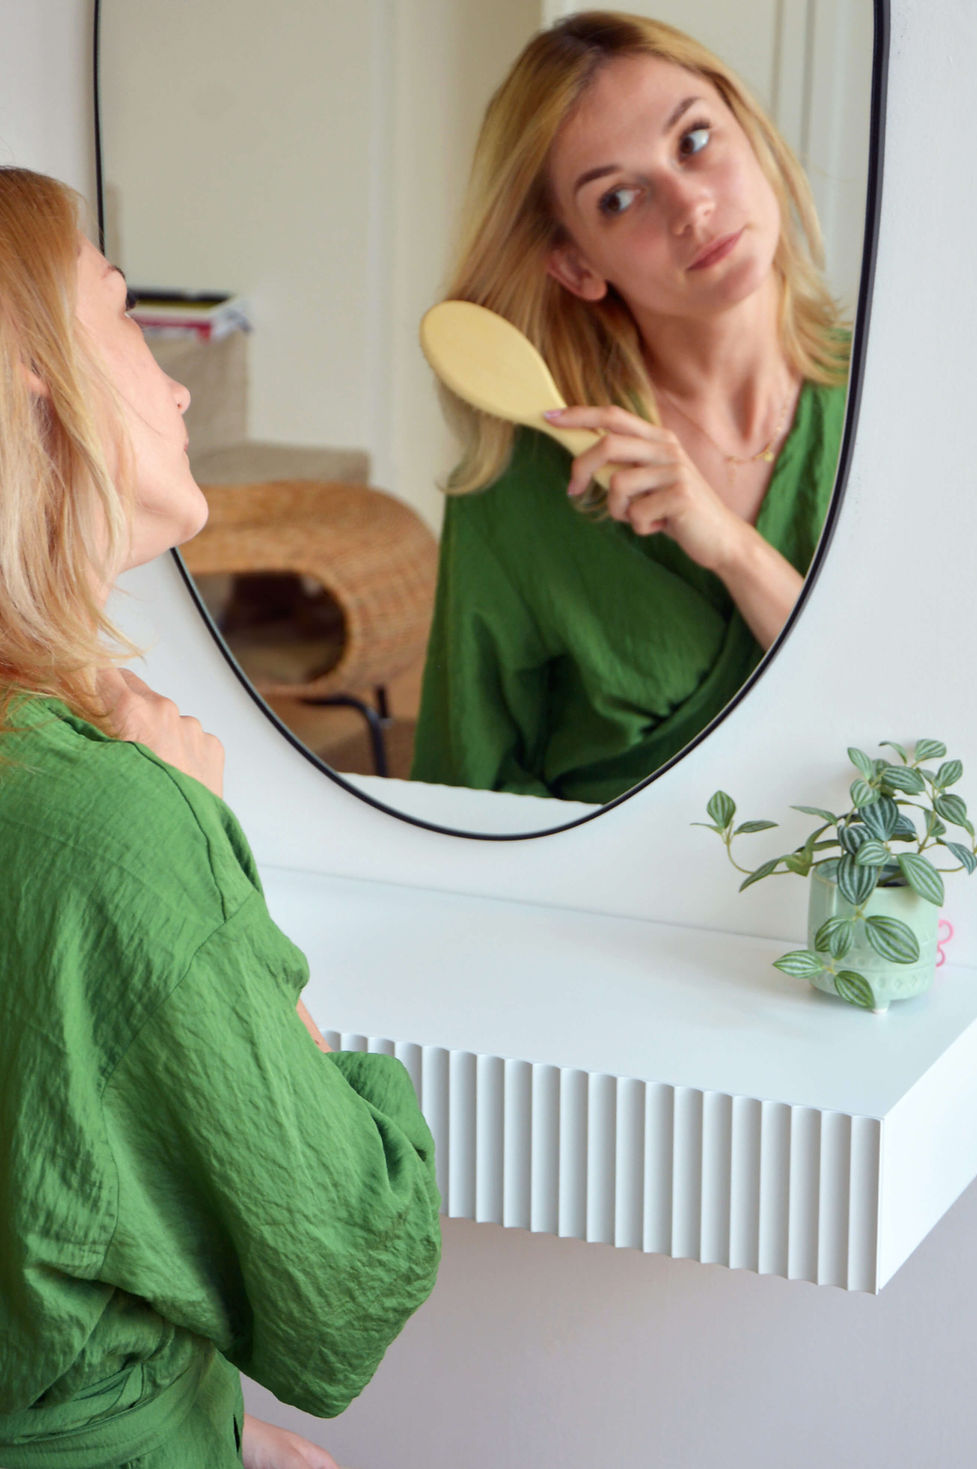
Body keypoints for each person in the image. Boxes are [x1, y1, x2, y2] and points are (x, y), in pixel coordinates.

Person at [0, 167, 442, 1468]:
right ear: (37, 380)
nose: (180, 382)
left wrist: (214, 1425)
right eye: (126, 314)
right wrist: (212, 865)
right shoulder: (115, 826)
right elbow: (351, 1279)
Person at [411, 10, 850, 806]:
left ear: (745, 126)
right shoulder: (523, 481)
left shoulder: (902, 409)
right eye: (618, 198)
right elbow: (461, 790)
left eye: (693, 141)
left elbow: (914, 722)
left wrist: (730, 547)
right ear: (577, 264)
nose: (689, 206)